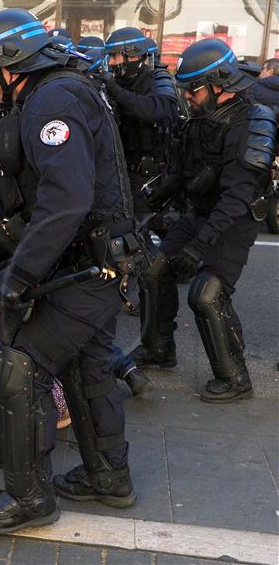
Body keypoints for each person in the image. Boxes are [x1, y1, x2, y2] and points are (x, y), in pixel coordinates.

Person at [0, 8, 141, 533]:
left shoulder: (51, 102)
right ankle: (109, 477)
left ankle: (29, 499)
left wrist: (19, 275)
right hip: (98, 262)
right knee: (89, 370)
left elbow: (66, 199)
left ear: (6, 63)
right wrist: (3, 241)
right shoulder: (60, 90)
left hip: (84, 269)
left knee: (19, 367)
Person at [127, 38, 275, 402]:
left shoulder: (252, 121)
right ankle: (159, 349)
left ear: (218, 84)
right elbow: (182, 172)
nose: (188, 97)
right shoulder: (199, 120)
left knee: (207, 294)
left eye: (193, 89)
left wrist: (197, 247)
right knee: (152, 270)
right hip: (201, 213)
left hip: (234, 220)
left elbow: (236, 199)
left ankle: (236, 377)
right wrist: (152, 200)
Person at [100, 27, 179, 394]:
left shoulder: (157, 80)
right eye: (111, 57)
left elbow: (157, 110)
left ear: (136, 56)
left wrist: (115, 91)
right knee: (142, 262)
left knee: (156, 266)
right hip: (127, 178)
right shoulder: (117, 82)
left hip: (153, 183)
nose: (114, 64)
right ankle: (156, 344)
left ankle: (160, 343)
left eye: (119, 57)